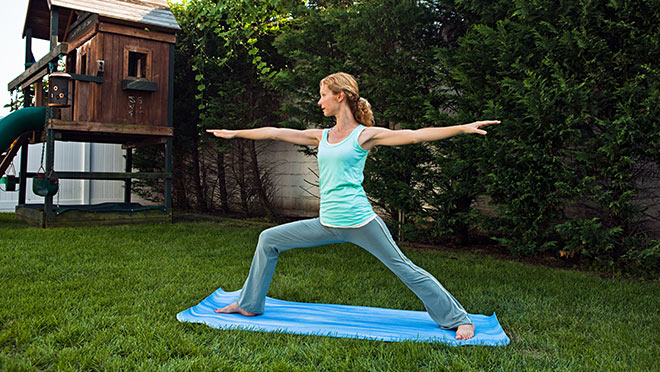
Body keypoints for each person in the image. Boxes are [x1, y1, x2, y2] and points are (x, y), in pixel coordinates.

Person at [207, 72, 499, 340]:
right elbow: (275, 131)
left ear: (340, 96)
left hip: (360, 223)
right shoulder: (320, 136)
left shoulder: (364, 135)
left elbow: (416, 134)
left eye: (323, 95)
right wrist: (234, 134)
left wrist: (462, 128)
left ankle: (460, 319)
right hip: (327, 223)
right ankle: (249, 304)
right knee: (268, 239)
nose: (319, 101)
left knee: (405, 269)